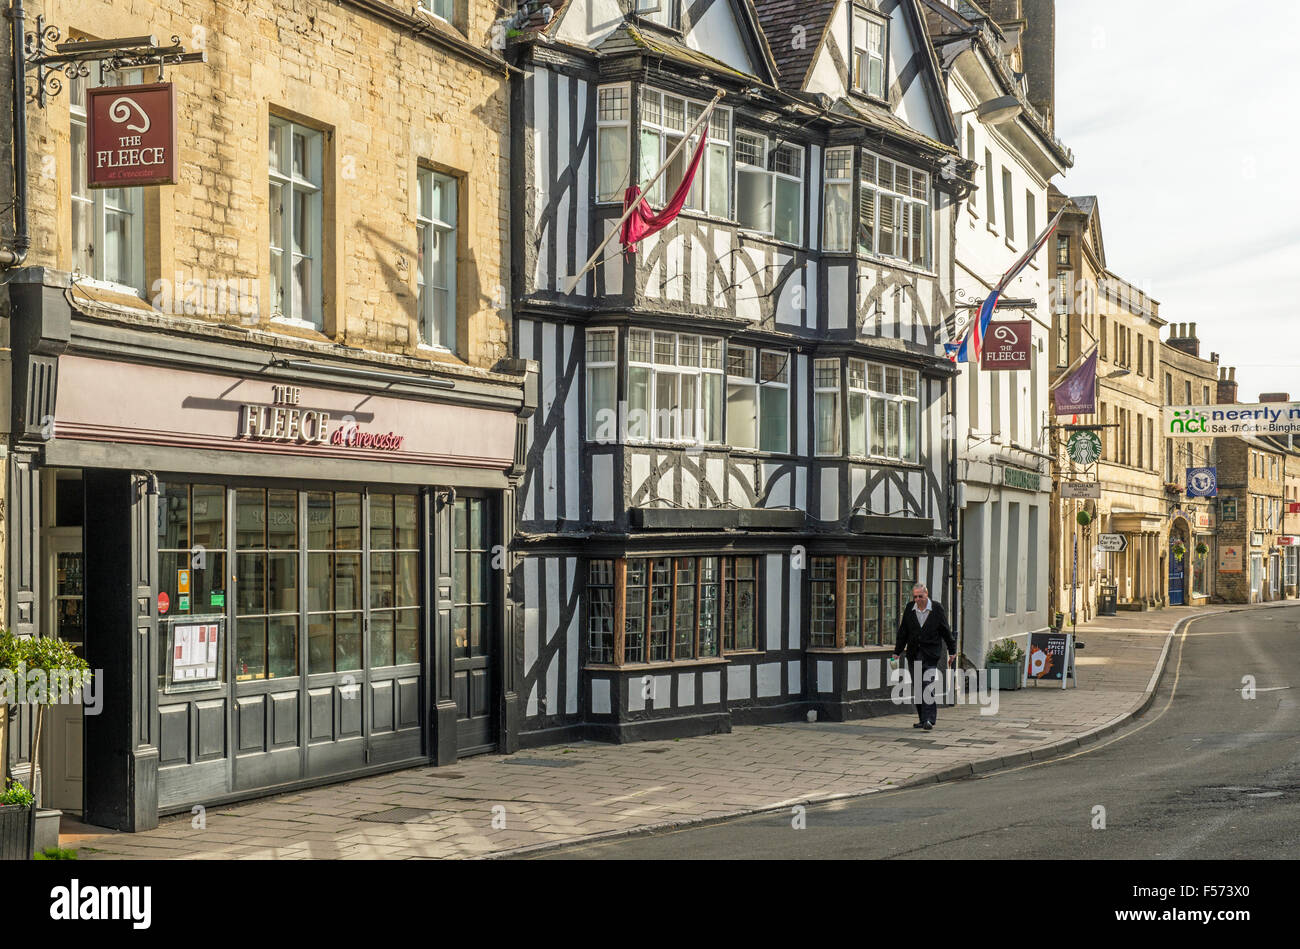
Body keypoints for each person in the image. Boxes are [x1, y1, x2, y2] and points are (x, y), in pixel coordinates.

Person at [893, 582, 957, 730]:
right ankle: (922, 719)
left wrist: (952, 651)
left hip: (930, 655)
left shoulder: (936, 609)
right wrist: (897, 652)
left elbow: (945, 631)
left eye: (920, 596)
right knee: (918, 688)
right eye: (915, 597)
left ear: (926, 594)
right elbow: (903, 632)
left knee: (927, 686)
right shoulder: (910, 609)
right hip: (914, 654)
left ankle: (930, 719)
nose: (917, 599)